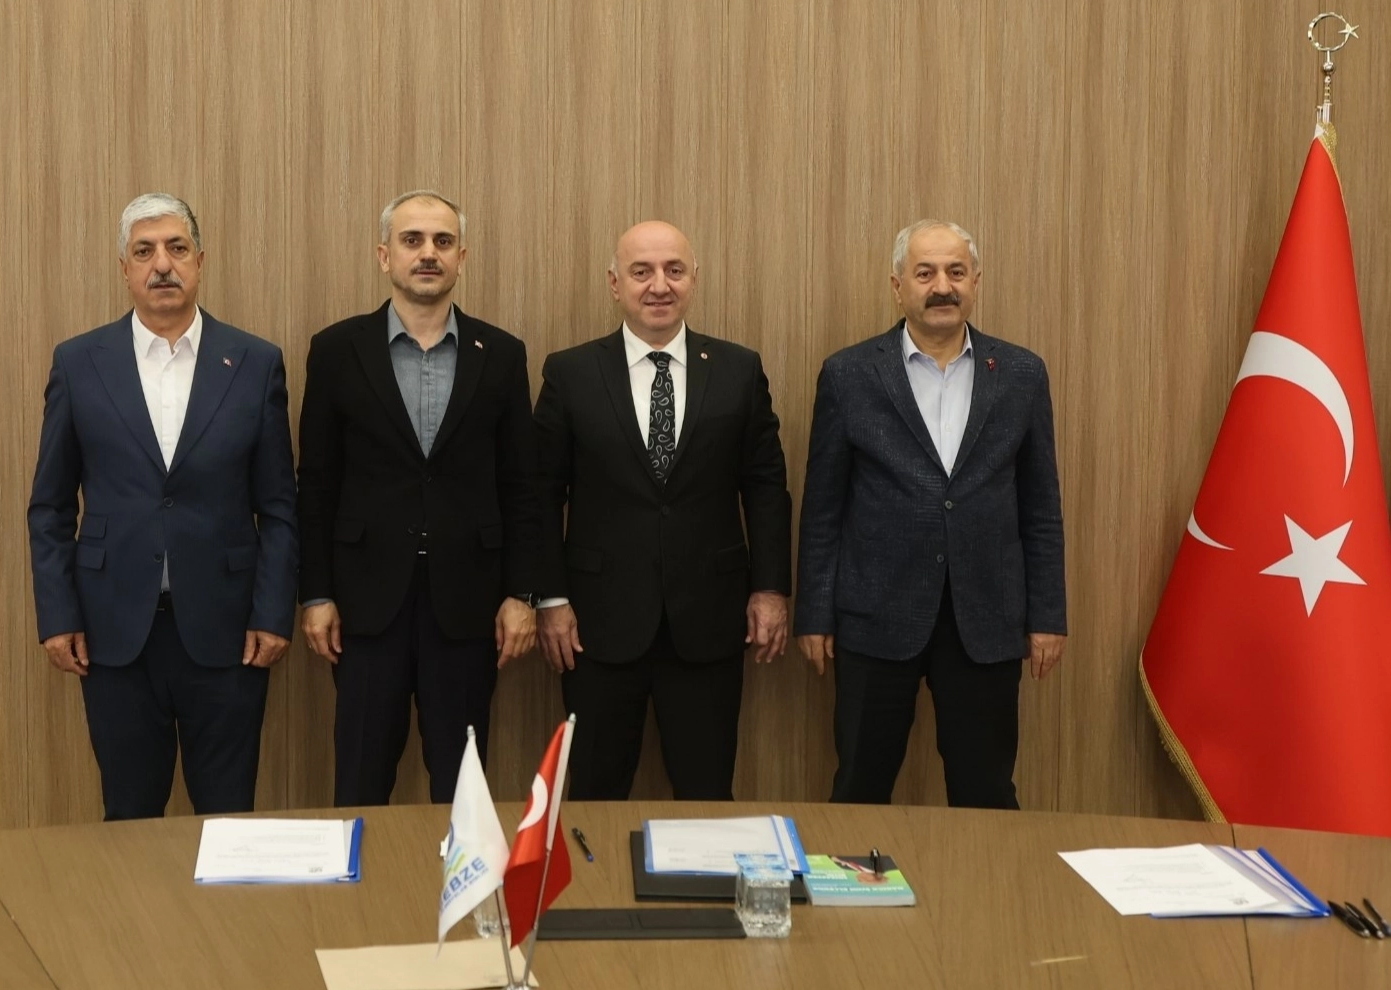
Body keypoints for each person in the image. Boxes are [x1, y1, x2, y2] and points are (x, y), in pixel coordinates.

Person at [28, 193, 299, 820]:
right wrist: (58, 614)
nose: (162, 265)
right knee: (129, 818)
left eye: (177, 248)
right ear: (124, 268)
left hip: (230, 631)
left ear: (200, 260)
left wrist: (272, 613)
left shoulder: (255, 362)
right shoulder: (79, 362)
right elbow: (50, 506)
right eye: (145, 251)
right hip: (113, 631)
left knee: (228, 818)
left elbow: (280, 506)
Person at [794, 219, 1067, 809]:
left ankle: (985, 876)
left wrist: (1047, 615)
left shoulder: (1021, 374)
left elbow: (1041, 506)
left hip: (986, 619)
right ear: (898, 287)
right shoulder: (848, 374)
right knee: (860, 786)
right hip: (875, 615)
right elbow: (823, 508)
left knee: (986, 792)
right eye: (925, 273)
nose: (942, 286)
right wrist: (814, 613)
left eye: (955, 272)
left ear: (976, 282)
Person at [297, 190, 540, 806]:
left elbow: (522, 485)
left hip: (468, 604)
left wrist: (522, 594)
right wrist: (317, 593)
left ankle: (456, 877)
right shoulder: (336, 350)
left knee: (462, 792)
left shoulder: (502, 355)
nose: (428, 253)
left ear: (462, 257)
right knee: (360, 781)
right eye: (412, 240)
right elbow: (317, 482)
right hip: (365, 604)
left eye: (442, 241)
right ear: (385, 255)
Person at [535, 221, 792, 800]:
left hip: (710, 619)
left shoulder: (738, 369)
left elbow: (765, 487)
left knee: (706, 793)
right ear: (614, 283)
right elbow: (542, 494)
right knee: (595, 794)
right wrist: (549, 599)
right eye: (641, 271)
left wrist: (771, 589)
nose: (659, 285)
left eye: (674, 270)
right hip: (595, 626)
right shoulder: (570, 373)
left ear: (693, 278)